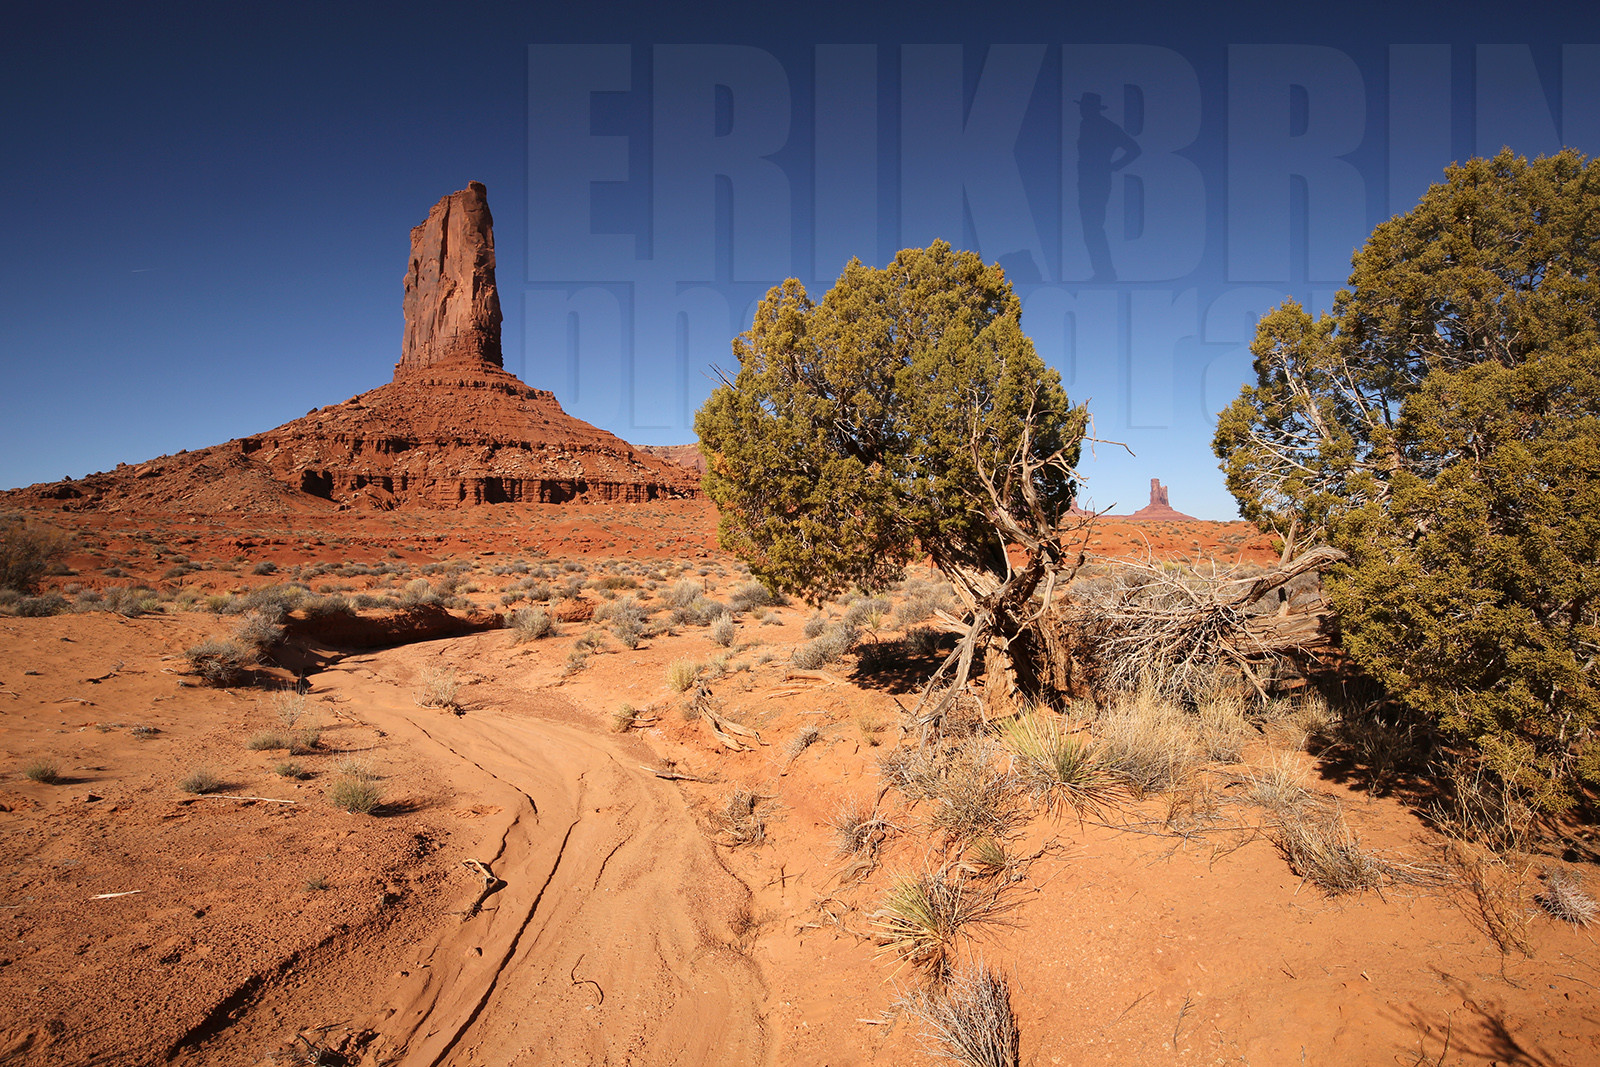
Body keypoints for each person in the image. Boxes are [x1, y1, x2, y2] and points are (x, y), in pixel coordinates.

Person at [1075, 91, 1141, 282]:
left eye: (1085, 106)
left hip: (1096, 181)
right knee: (1090, 228)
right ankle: (1103, 272)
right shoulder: (1085, 124)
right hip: (1087, 181)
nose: (1082, 110)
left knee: (1093, 227)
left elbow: (1135, 149)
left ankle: (1105, 273)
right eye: (1081, 106)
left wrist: (1113, 167)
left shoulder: (1106, 126)